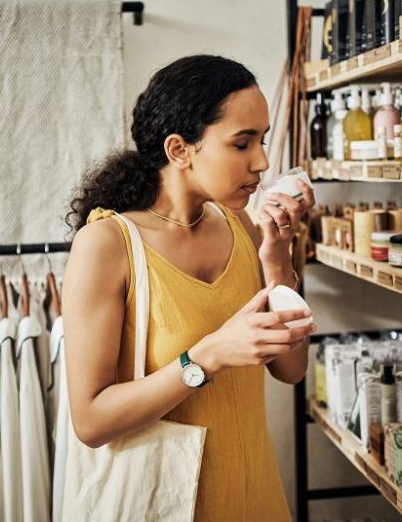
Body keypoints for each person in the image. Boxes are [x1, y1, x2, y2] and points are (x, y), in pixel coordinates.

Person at [62, 54, 316, 520]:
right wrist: (209, 355)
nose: (263, 161)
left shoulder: (241, 225)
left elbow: (291, 369)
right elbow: (91, 421)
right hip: (167, 507)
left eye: (261, 139)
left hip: (257, 499)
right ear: (180, 150)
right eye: (242, 144)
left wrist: (277, 261)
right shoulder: (107, 244)